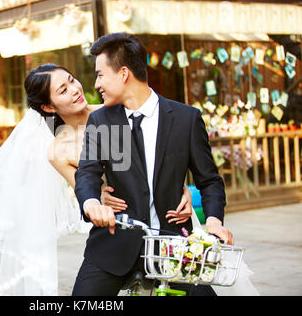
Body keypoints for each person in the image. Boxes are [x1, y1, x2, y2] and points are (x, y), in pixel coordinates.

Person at [0, 63, 194, 295]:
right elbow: (84, 190)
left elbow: (158, 153)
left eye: (72, 80)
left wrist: (181, 186)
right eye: (63, 90)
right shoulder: (58, 150)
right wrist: (98, 199)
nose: (75, 89)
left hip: (165, 216)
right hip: (116, 228)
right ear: (48, 106)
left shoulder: (115, 108)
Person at [72, 33, 234, 296]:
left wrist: (213, 222)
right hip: (114, 244)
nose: (97, 83)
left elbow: (210, 181)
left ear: (124, 73)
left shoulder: (186, 119)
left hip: (174, 246)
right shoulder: (101, 121)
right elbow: (87, 172)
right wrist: (91, 202)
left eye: (100, 75)